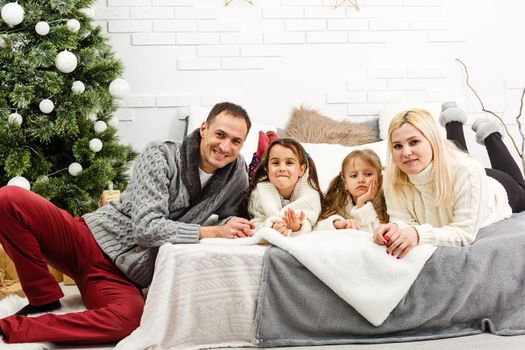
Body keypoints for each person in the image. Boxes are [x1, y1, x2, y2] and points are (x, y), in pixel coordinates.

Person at [0, 102, 254, 344]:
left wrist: (239, 225)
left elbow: (231, 215)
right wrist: (208, 231)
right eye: (220, 134)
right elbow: (146, 229)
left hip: (121, 276)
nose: (225, 146)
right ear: (203, 129)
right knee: (8, 198)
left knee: (129, 321)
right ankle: (43, 297)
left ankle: (11, 327)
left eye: (236, 141)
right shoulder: (161, 154)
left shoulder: (237, 174)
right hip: (84, 238)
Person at [374, 102, 525, 259]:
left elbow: (463, 234)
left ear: (432, 141)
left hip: (497, 189)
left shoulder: (467, 170)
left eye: (414, 142)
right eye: (397, 146)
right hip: (458, 174)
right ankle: (453, 121)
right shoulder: (391, 177)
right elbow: (403, 221)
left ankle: (491, 135)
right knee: (458, 156)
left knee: (522, 188)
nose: (406, 152)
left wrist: (418, 234)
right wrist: (394, 228)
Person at [247, 138, 323, 236]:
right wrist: (271, 226)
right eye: (275, 163)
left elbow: (312, 222)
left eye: (289, 163)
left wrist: (297, 227)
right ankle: (261, 152)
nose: (282, 168)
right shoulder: (259, 193)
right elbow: (254, 224)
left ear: (301, 169)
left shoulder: (310, 194)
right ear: (267, 168)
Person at [317, 149, 388, 233]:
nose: (361, 180)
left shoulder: (386, 201)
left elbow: (373, 233)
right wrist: (337, 223)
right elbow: (319, 226)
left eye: (368, 174)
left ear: (379, 179)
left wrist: (361, 203)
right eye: (354, 175)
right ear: (345, 183)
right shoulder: (339, 201)